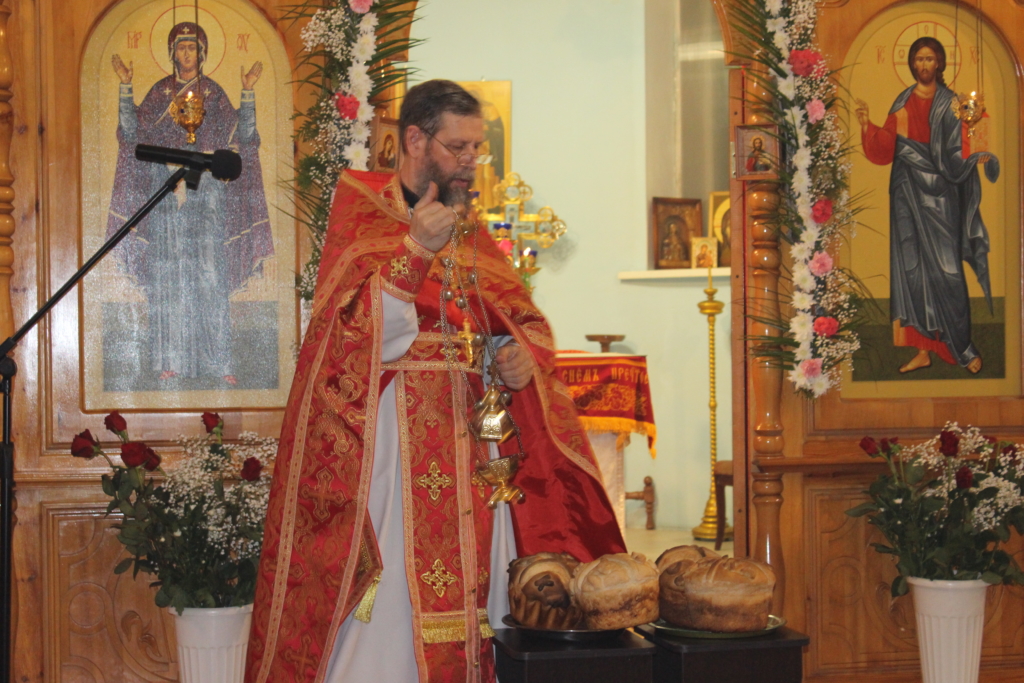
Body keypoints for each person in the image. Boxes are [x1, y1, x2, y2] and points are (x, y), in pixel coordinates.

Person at [245, 80, 624, 683]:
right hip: (391, 446)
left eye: (477, 148)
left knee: (480, 590)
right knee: (392, 603)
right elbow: (347, 339)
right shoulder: (361, 211)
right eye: (458, 147)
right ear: (415, 140)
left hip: (471, 445)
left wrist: (515, 354)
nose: (471, 162)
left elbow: (509, 317)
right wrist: (415, 250)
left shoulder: (470, 230)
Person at [108, 22, 273, 386]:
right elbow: (133, 133)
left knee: (211, 275)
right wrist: (125, 86)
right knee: (169, 275)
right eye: (181, 47)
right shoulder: (160, 93)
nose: (187, 54)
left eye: (193, 47)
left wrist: (247, 92)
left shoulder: (214, 94)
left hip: (207, 196)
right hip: (167, 195)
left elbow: (243, 137)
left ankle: (220, 361)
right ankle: (170, 360)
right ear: (172, 53)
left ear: (203, 53)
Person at [855, 36, 998, 375]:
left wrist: (974, 152)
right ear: (911, 64)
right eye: (918, 59)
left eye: (929, 59)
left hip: (940, 195)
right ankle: (922, 349)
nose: (923, 65)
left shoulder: (951, 103)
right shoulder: (903, 99)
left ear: (939, 63)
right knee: (912, 268)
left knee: (948, 271)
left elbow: (960, 147)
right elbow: (887, 146)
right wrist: (866, 125)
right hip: (906, 191)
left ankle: (962, 347)